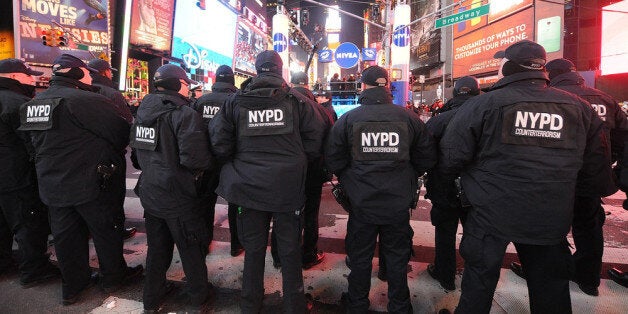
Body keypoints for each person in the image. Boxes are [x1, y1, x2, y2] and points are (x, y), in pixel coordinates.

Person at [440, 40, 610, 313]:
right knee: (550, 288)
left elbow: (451, 157)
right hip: (550, 216)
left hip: (490, 213)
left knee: (479, 283)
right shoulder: (579, 108)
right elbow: (597, 172)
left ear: (508, 66)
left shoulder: (484, 105)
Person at [19, 54, 143, 305]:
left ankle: (73, 286)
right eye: (86, 71)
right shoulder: (89, 100)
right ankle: (113, 278)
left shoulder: (32, 103)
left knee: (66, 237)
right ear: (75, 74)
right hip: (91, 182)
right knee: (106, 232)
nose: (90, 75)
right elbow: (120, 134)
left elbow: (29, 144)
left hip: (52, 183)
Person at [209, 50, 325, 313]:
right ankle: (294, 305)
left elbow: (219, 143)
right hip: (288, 189)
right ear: (279, 69)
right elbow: (315, 141)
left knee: (253, 249)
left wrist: (240, 162)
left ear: (256, 68)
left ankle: (250, 304)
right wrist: (294, 161)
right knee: (290, 249)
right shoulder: (298, 102)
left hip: (248, 188)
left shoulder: (235, 102)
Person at [509, 58, 626, 296]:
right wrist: (611, 167)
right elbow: (624, 138)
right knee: (590, 228)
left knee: (550, 230)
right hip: (591, 178)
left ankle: (549, 272)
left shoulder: (551, 97)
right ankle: (588, 279)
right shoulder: (605, 99)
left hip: (556, 177)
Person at [326, 65, 437, 313]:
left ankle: (357, 304)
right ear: (387, 86)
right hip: (397, 203)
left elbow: (334, 160)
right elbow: (426, 158)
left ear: (363, 87)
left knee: (360, 257)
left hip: (361, 202)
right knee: (397, 258)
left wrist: (351, 178)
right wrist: (406, 176)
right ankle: (399, 306)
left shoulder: (349, 119)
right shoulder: (409, 118)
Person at [131, 64, 213, 312]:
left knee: (157, 249)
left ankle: (151, 297)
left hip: (151, 191)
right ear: (178, 84)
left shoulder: (143, 111)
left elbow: (136, 157)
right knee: (191, 248)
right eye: (186, 83)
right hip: (178, 194)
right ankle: (200, 296)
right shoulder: (184, 114)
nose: (189, 88)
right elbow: (195, 159)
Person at [0, 58, 60, 286]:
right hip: (16, 177)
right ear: (15, 76)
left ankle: (4, 264)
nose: (33, 79)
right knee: (28, 224)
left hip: (7, 176)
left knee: (3, 224)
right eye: (28, 75)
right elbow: (33, 142)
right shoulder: (18, 103)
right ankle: (34, 270)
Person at [270, 71, 334, 270]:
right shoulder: (321, 111)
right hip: (311, 173)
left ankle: (279, 256)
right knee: (310, 214)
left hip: (281, 172)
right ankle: (308, 254)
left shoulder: (276, 105)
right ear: (307, 85)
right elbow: (329, 145)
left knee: (281, 214)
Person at [424, 75, 480, 291]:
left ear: (454, 94)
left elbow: (426, 154)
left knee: (445, 232)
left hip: (444, 185)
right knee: (475, 232)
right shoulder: (489, 116)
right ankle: (474, 275)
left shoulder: (438, 120)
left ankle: (445, 274)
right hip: (477, 187)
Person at [192, 65, 243, 257]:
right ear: (232, 81)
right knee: (235, 203)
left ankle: (204, 243)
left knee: (205, 203)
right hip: (230, 160)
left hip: (206, 160)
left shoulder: (201, 101)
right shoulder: (236, 101)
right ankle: (237, 244)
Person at [88, 58, 136, 241]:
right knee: (114, 195)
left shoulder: (80, 90)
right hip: (110, 152)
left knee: (93, 194)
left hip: (86, 153)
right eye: (110, 71)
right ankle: (116, 229)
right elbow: (126, 123)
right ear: (105, 72)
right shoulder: (111, 93)